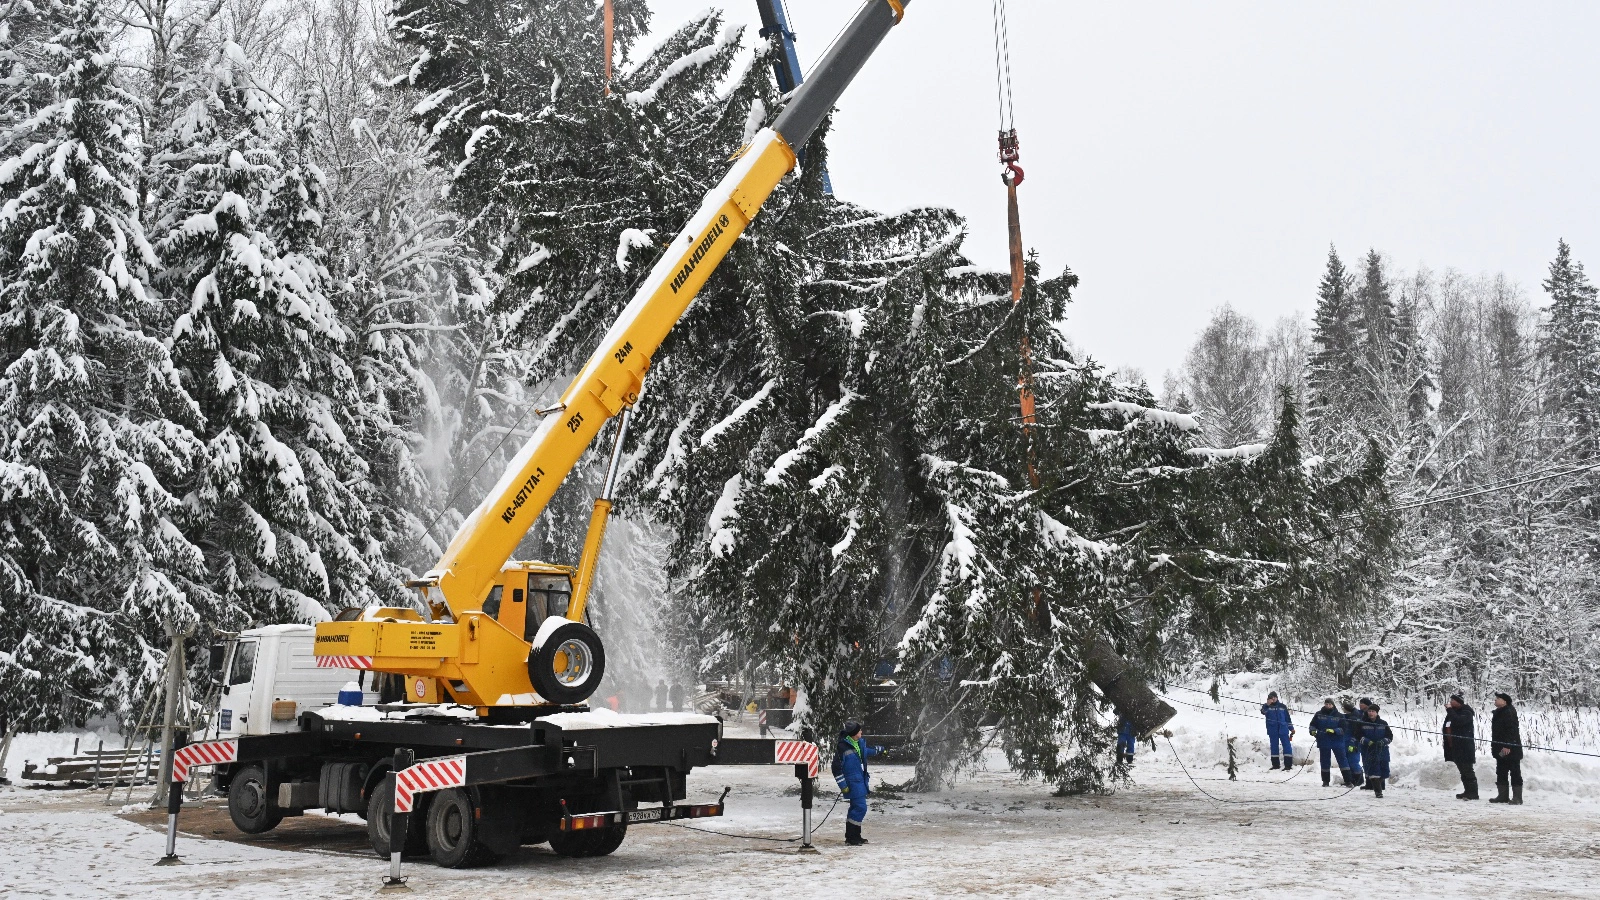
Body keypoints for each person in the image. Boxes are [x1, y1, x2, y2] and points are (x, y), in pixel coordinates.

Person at [832, 720, 882, 846]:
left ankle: (853, 836)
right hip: (852, 783)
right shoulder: (843, 747)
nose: (861, 732)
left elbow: (866, 751)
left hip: (860, 781)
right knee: (860, 807)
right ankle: (852, 837)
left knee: (855, 808)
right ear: (855, 733)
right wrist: (843, 786)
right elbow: (836, 769)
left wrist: (879, 750)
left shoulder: (858, 743)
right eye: (860, 730)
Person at [1488, 692, 1523, 805]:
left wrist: (1508, 745)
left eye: (1498, 699)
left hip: (1511, 749)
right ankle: (1503, 796)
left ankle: (1517, 798)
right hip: (1500, 748)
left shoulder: (1509, 712)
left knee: (1514, 772)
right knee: (1501, 771)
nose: (1495, 700)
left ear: (1505, 701)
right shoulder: (1499, 712)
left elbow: (1512, 730)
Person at [1442, 693, 1478, 800]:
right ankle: (1467, 791)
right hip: (1455, 746)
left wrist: (1449, 710)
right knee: (1462, 771)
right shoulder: (1453, 712)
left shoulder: (1466, 712)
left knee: (1467, 770)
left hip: (1465, 747)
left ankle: (1473, 793)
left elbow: (1458, 721)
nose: (1450, 702)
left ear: (1459, 702)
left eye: (1453, 700)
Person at [1308, 698, 1347, 787]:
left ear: (1333, 705)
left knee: (1342, 761)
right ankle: (1325, 781)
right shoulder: (1319, 714)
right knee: (1324, 762)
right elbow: (1312, 724)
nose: (1328, 706)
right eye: (1326, 704)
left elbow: (1344, 729)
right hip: (1323, 741)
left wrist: (1335, 731)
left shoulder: (1339, 715)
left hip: (1337, 742)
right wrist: (1312, 730)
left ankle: (1348, 780)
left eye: (1330, 704)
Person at [1360, 703, 1393, 798]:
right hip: (1369, 750)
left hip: (1382, 750)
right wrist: (1366, 741)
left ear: (1376, 713)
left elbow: (1390, 736)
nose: (1370, 713)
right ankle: (1378, 792)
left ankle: (1379, 786)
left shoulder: (1383, 723)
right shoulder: (1362, 723)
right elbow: (1358, 735)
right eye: (1369, 711)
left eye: (1373, 711)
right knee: (1373, 771)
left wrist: (1384, 741)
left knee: (1384, 771)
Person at [1261, 691, 1295, 770]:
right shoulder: (1267, 707)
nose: (1273, 699)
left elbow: (1287, 718)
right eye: (1271, 698)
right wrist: (1267, 704)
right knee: (1274, 747)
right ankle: (1275, 765)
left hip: (1283, 729)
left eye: (1274, 697)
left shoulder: (1282, 706)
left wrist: (1291, 728)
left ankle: (1288, 765)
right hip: (1272, 730)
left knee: (1287, 746)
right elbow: (1263, 712)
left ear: (1277, 697)